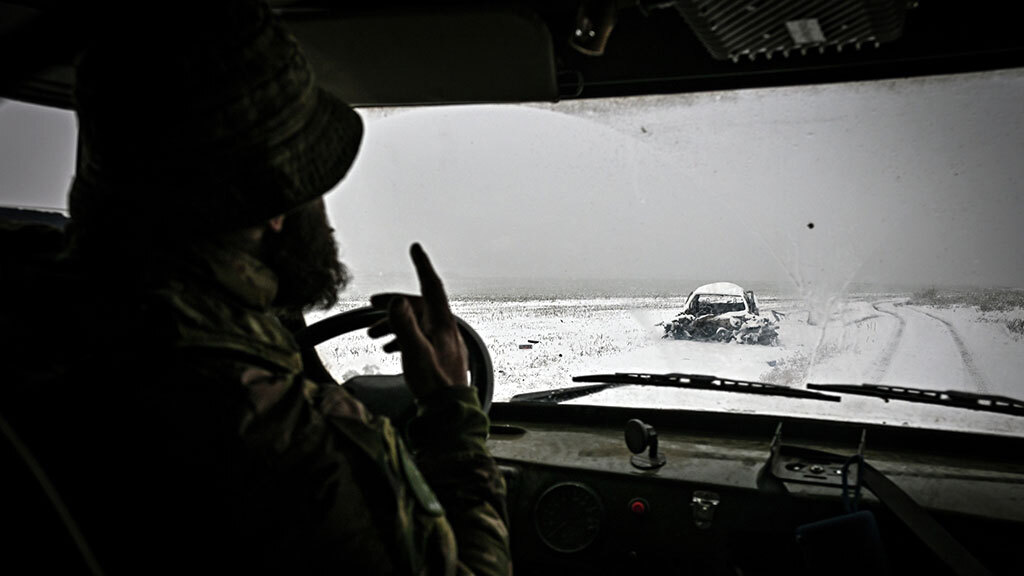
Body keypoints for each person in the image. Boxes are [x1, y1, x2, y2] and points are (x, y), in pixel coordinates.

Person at [0, 1, 511, 574]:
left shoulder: (30, 318)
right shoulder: (286, 446)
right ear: (275, 204)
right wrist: (450, 413)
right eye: (312, 179)